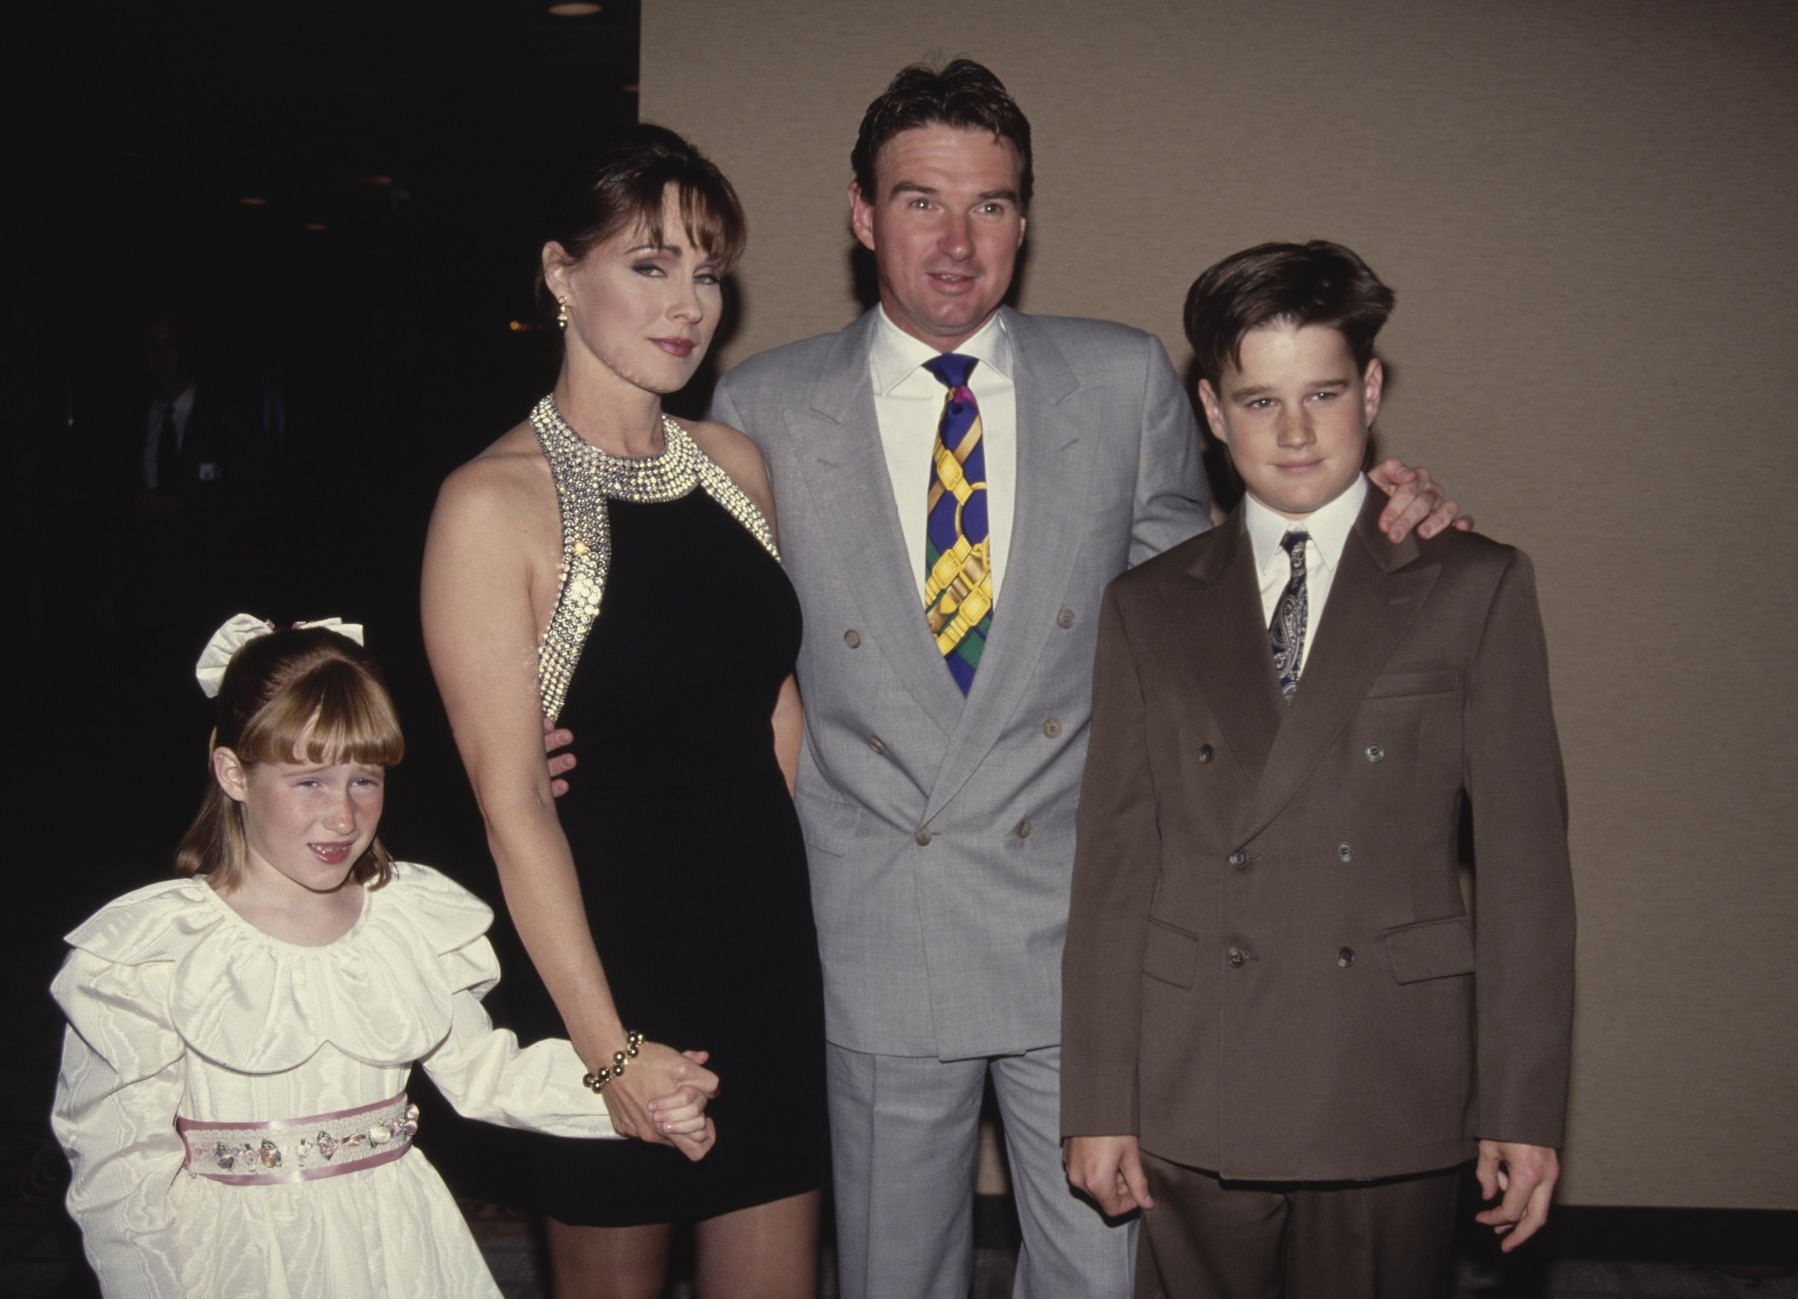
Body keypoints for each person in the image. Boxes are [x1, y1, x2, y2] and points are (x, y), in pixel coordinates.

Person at [707, 61, 1464, 1299]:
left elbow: (1215, 610)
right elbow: (719, 653)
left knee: (1101, 1278)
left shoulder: (1117, 383)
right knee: (895, 1275)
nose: (958, 243)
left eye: (993, 206)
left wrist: (1370, 546)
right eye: (921, 202)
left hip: (1086, 922)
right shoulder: (765, 404)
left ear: (1027, 218)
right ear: (860, 214)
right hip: (877, 919)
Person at [1060, 240, 1575, 1298]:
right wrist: (1098, 1097)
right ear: (1210, 411)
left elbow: (1526, 871)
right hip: (1200, 1069)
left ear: (1372, 389)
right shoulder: (1148, 606)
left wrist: (1523, 1106)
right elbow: (1115, 867)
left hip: (1385, 1071)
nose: (1294, 432)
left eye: (1324, 393)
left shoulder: (1473, 585)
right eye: (1258, 401)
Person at [421, 125, 825, 1299]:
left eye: (706, 271)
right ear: (561, 274)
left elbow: (776, 712)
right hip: (603, 961)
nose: (687, 303)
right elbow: (510, 807)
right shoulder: (488, 505)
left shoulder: (737, 464)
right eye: (650, 265)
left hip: (764, 954)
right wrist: (606, 1054)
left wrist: (774, 907)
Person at [50, 615, 714, 1298]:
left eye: (364, 779)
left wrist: (632, 1088)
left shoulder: (403, 918)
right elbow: (122, 1166)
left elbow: (487, 1072)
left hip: (397, 1248)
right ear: (233, 772)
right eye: (309, 781)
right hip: (236, 1260)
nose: (343, 815)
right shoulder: (154, 950)